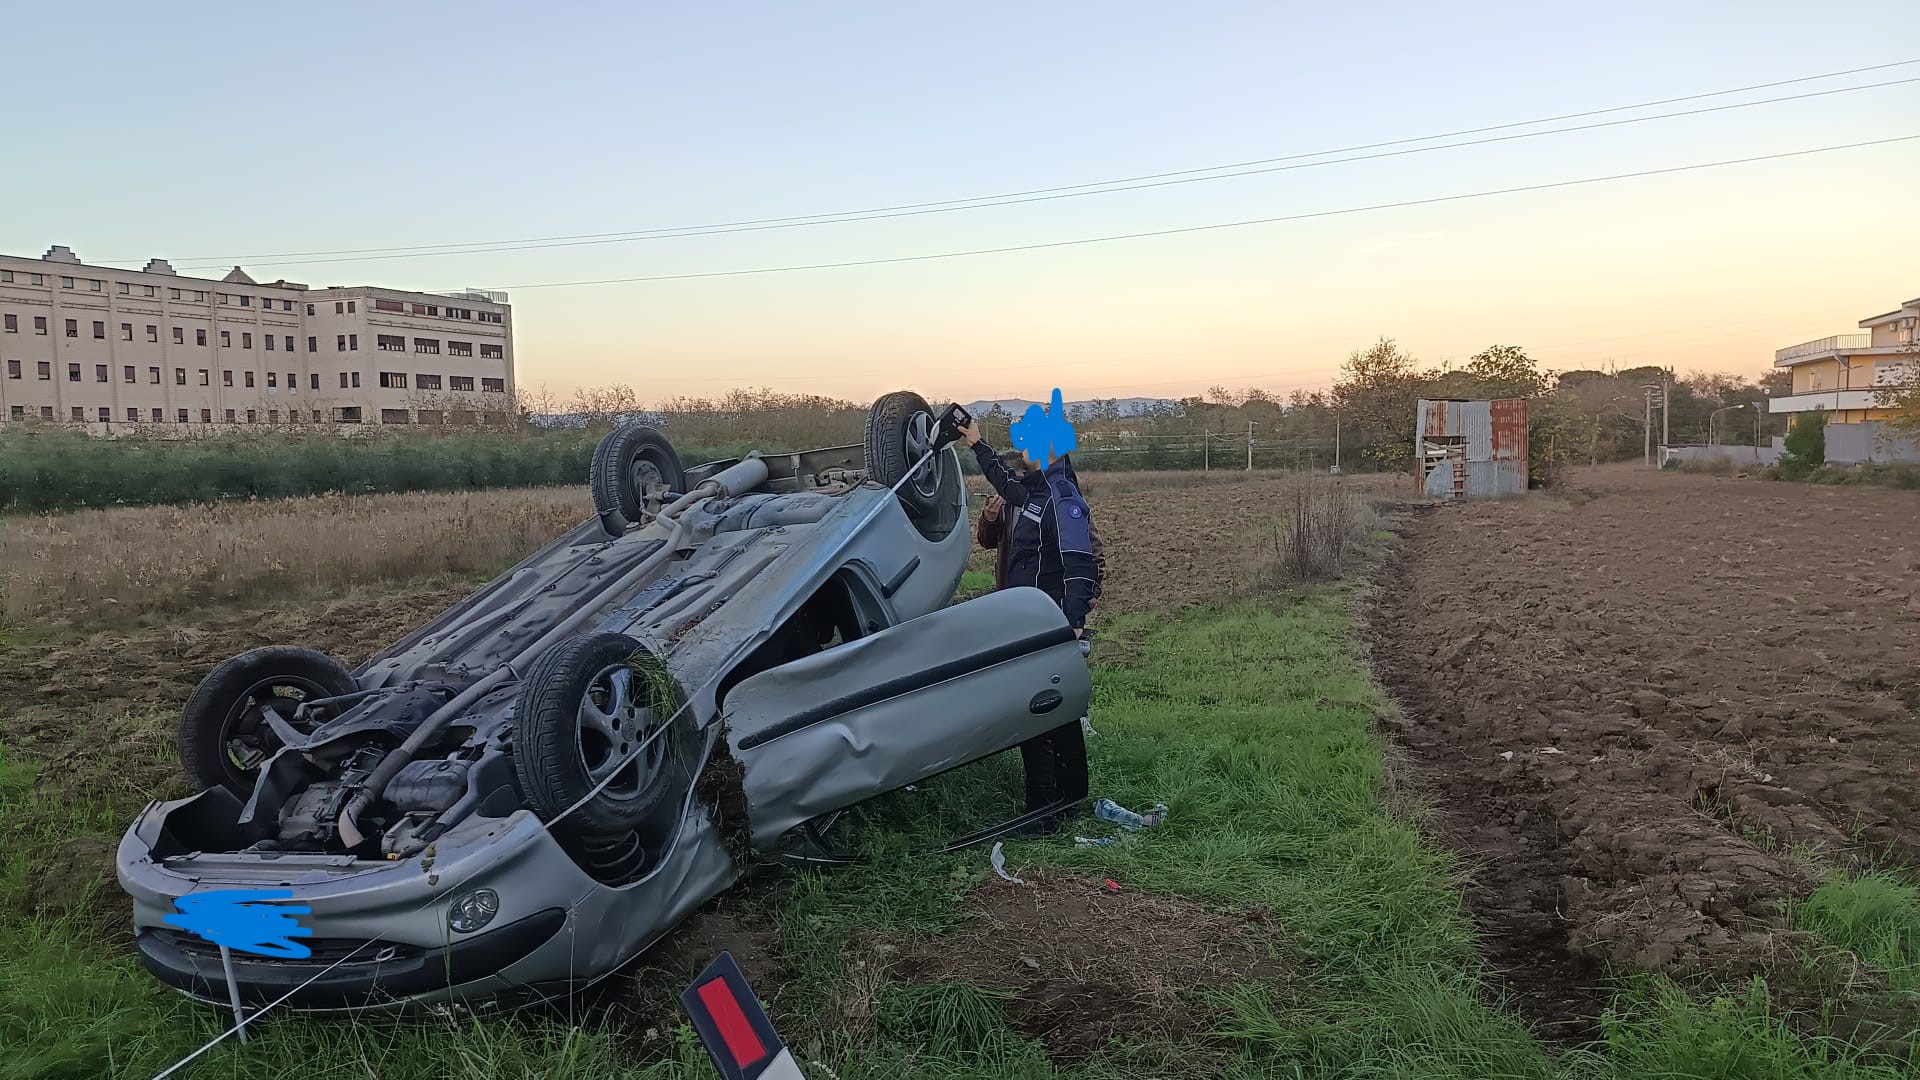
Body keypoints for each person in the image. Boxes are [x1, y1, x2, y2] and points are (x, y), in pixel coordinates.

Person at [958, 420, 1100, 835]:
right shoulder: (1037, 491)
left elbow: (1081, 566)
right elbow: (1004, 482)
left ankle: (1041, 811)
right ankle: (1070, 798)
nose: (1021, 449)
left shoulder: (1063, 500)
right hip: (1027, 621)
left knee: (1036, 712)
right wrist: (977, 443)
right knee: (1059, 712)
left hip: (1047, 624)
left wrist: (1073, 624)